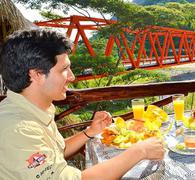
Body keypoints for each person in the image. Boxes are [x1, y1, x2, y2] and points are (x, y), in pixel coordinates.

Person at [0, 29, 165, 179]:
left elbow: (56, 152)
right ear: (36, 75)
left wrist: (90, 132)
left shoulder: (32, 108)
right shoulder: (19, 129)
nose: (71, 77)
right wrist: (139, 151)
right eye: (64, 69)